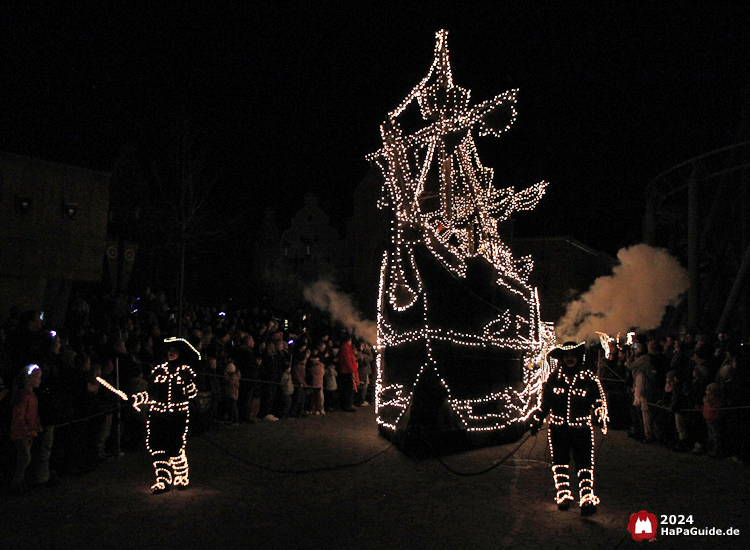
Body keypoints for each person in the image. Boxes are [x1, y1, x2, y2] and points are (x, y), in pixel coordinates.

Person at [530, 342, 608, 517]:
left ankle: (587, 497)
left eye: (573, 355)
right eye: (566, 356)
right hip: (558, 428)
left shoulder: (588, 378)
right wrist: (537, 420)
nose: (570, 358)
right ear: (561, 358)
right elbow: (545, 403)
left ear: (578, 357)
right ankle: (563, 494)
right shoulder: (553, 378)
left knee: (584, 462)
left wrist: (600, 413)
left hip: (581, 428)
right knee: (560, 461)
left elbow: (597, 400)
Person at [131, 338, 199, 494]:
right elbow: (150, 392)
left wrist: (190, 388)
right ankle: (163, 480)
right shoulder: (159, 371)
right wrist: (138, 399)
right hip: (158, 414)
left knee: (175, 447)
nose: (171, 353)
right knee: (157, 446)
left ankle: (181, 477)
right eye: (169, 350)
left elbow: (193, 392)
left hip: (177, 414)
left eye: (174, 351)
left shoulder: (185, 371)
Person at [10, 364, 43, 494]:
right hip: (22, 433)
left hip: (28, 432)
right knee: (24, 458)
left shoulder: (31, 395)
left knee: (25, 458)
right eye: (37, 378)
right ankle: (16, 483)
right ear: (29, 379)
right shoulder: (23, 396)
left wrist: (37, 425)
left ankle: (21, 482)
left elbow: (33, 413)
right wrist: (25, 431)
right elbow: (19, 417)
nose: (39, 381)